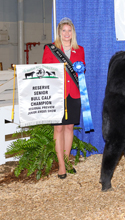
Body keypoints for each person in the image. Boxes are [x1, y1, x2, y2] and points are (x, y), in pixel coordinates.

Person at [42, 17, 86, 178]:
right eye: (64, 31)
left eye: (69, 31)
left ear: (72, 33)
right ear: (59, 33)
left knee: (69, 127)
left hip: (73, 93)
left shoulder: (79, 49)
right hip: (57, 94)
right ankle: (61, 164)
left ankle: (67, 161)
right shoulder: (51, 49)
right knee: (58, 128)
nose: (66, 33)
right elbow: (46, 71)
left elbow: (81, 71)